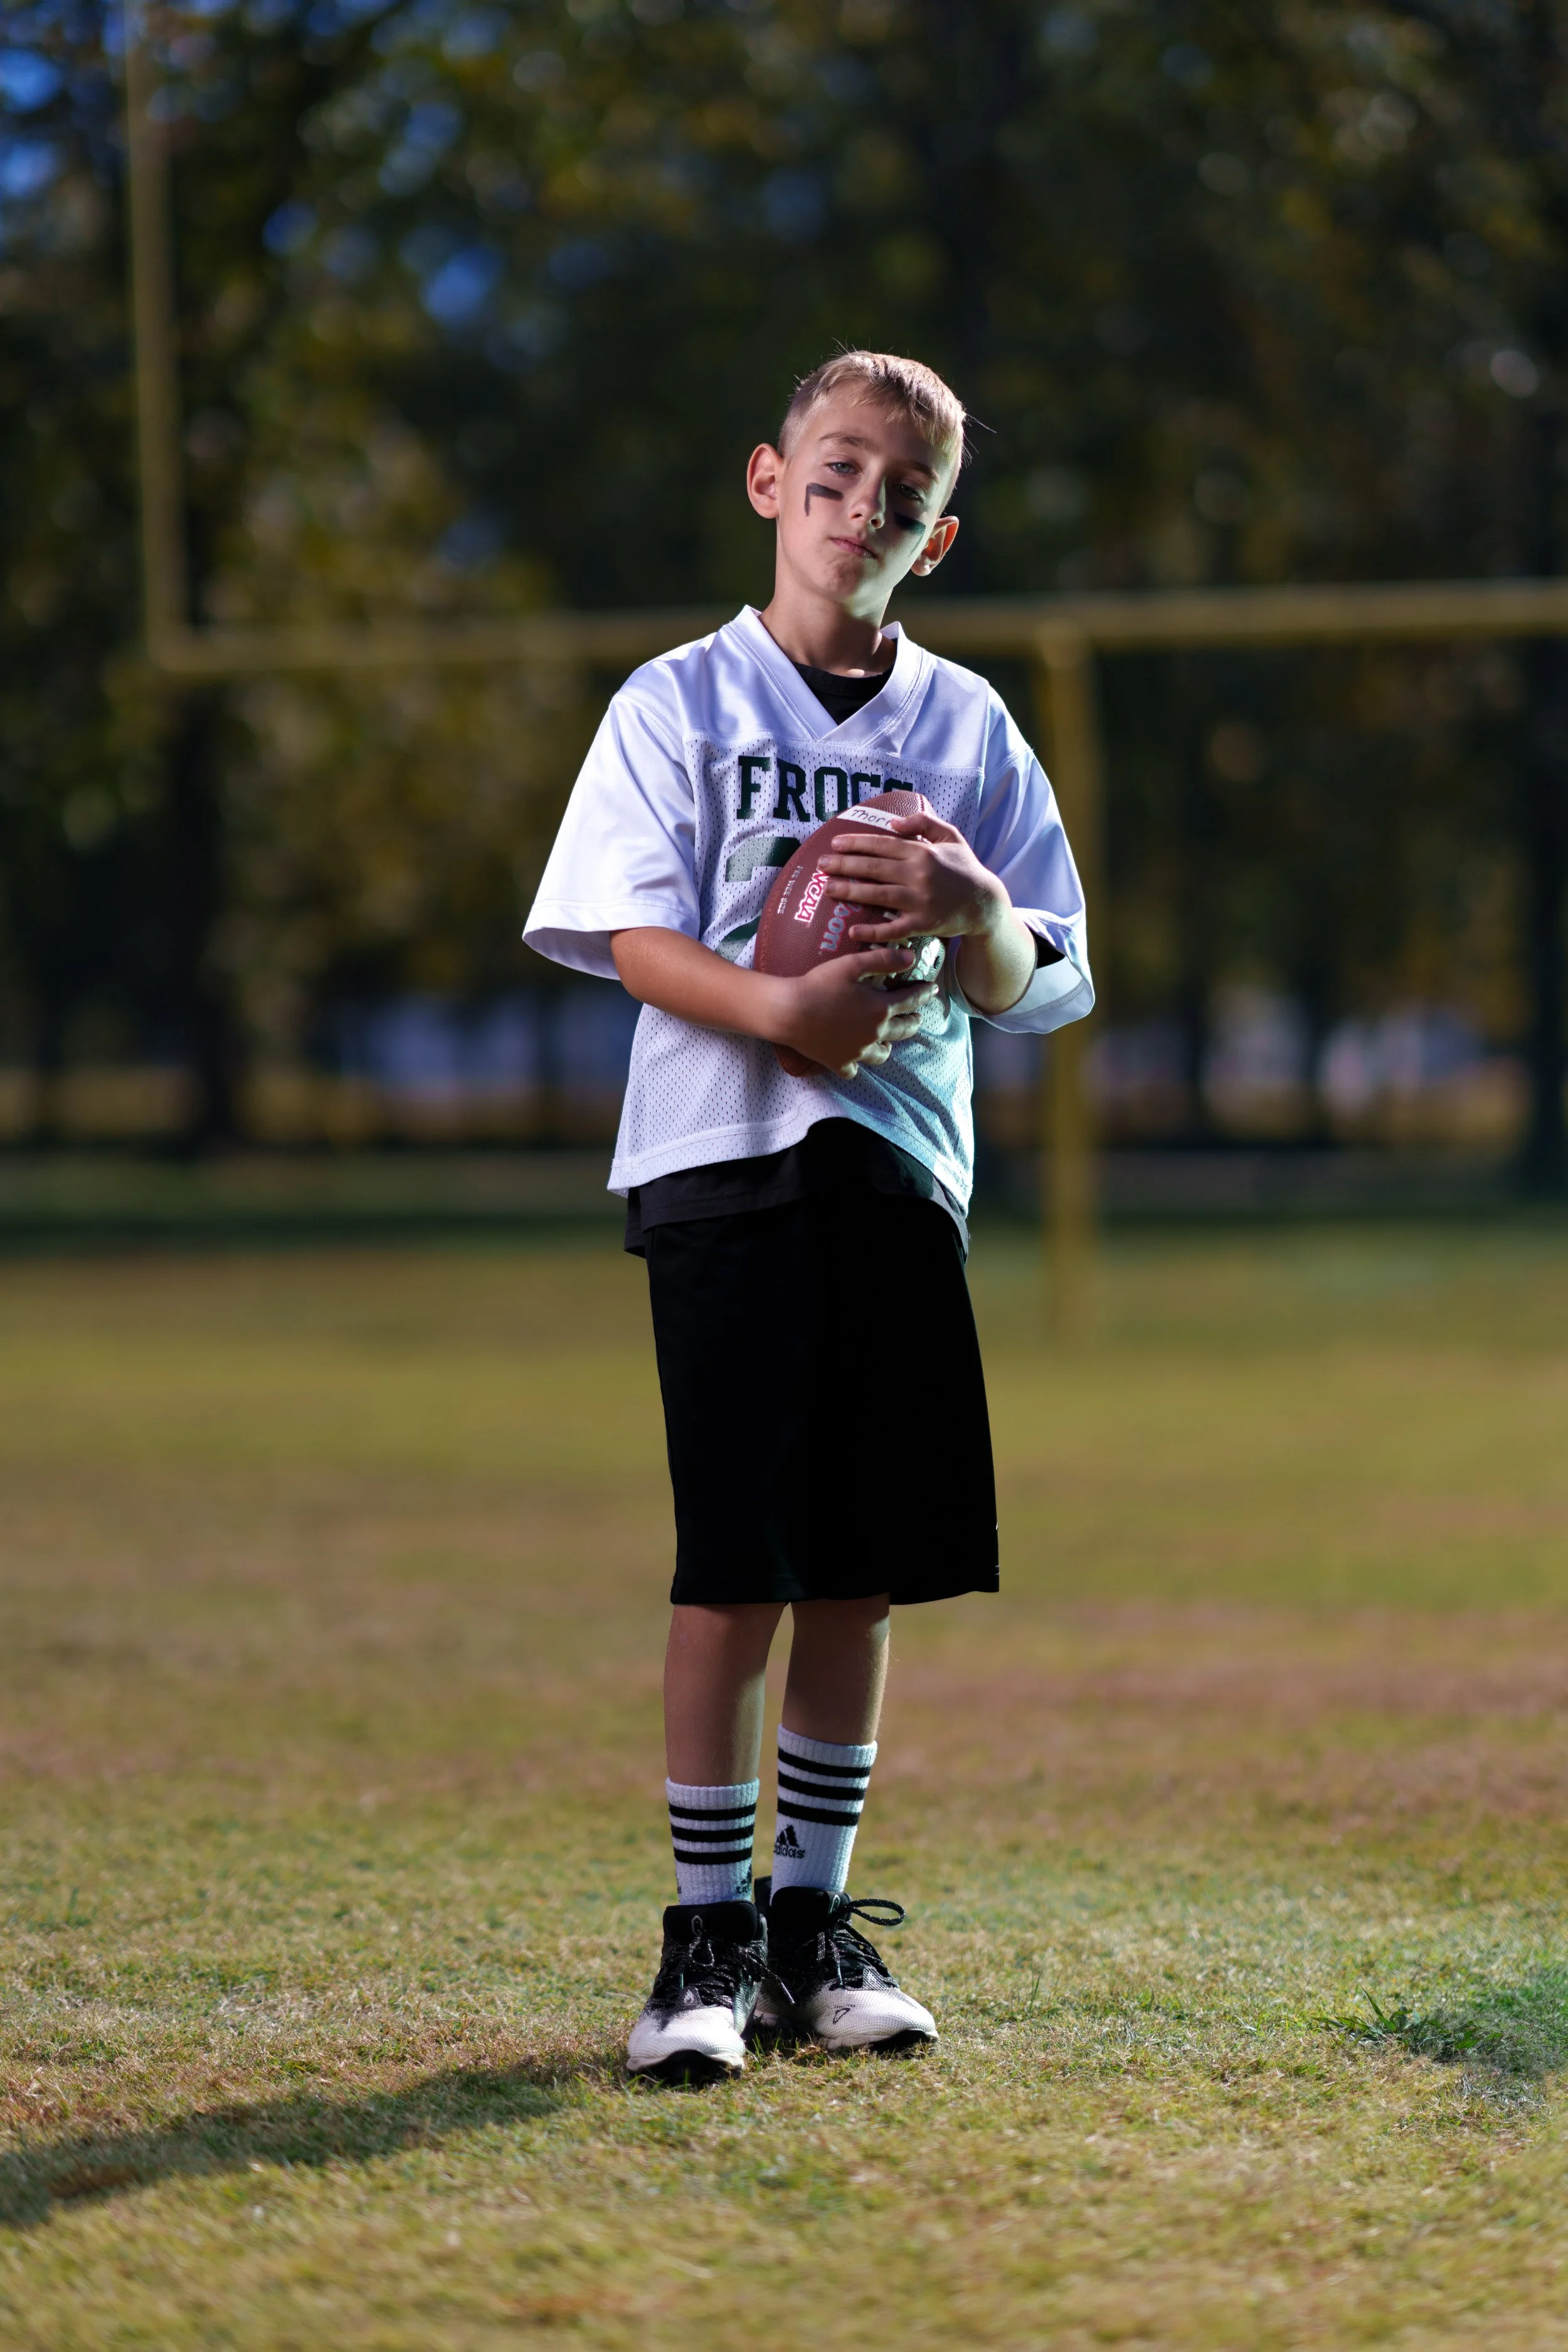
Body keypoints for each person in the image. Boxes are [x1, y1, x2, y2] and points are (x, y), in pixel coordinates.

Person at [524, 350, 1092, 2084]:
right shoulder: (679, 702)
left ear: (934, 539)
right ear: (769, 480)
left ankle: (806, 1918)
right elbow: (623, 932)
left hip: (900, 1165)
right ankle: (700, 1935)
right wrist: (779, 1014)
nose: (861, 512)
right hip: (719, 1159)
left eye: (899, 499)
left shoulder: (965, 728)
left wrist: (974, 903)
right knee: (734, 1568)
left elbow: (1042, 984)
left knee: (861, 1569)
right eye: (835, 475)